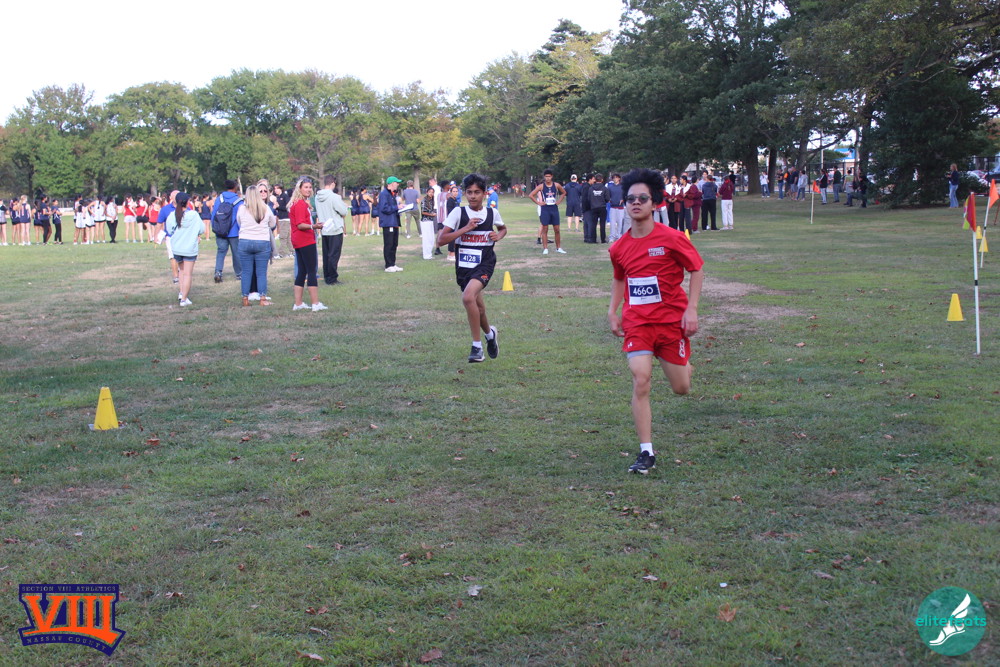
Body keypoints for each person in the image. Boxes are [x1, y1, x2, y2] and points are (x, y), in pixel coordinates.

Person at [608, 168, 704, 475]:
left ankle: (684, 367)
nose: (635, 203)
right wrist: (613, 310)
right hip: (638, 323)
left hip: (670, 322)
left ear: (655, 202)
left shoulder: (672, 238)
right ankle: (646, 451)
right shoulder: (618, 247)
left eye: (642, 198)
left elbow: (696, 269)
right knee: (641, 379)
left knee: (681, 388)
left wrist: (692, 310)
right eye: (630, 199)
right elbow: (619, 279)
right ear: (625, 204)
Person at [436, 173, 507, 363]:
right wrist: (465, 229)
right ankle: (490, 334)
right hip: (464, 266)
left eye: (477, 192)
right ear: (464, 193)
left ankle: (477, 348)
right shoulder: (458, 213)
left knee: (468, 297)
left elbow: (503, 228)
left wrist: (498, 236)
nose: (473, 196)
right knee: (479, 308)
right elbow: (440, 240)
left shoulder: (492, 213)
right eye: (469, 192)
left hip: (484, 263)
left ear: (484, 194)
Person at [289, 177, 328, 311]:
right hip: (305, 240)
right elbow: (300, 224)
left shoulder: (299, 203)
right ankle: (315, 303)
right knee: (311, 271)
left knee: (302, 271)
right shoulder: (300, 204)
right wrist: (314, 226)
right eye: (305, 187)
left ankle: (298, 303)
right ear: (299, 188)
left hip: (298, 240)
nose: (309, 189)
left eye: (310, 187)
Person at [237, 184, 277, 306]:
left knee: (246, 272)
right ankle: (263, 298)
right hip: (262, 241)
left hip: (245, 240)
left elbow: (239, 222)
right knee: (261, 272)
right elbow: (272, 224)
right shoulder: (265, 208)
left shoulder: (242, 208)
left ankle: (245, 298)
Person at [165, 193, 203, 307]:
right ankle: (184, 299)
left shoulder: (172, 215)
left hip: (177, 247)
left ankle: (182, 293)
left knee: (181, 271)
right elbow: (202, 229)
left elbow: (169, 230)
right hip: (189, 248)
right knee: (187, 274)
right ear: (187, 202)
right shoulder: (194, 215)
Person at [316, 175, 350, 285]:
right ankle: (332, 278)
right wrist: (345, 207)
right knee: (334, 255)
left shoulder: (317, 197)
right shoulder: (335, 197)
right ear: (333, 184)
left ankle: (327, 276)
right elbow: (343, 211)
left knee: (326, 255)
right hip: (335, 228)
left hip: (324, 228)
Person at [527, 170, 566, 255]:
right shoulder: (541, 186)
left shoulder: (556, 185)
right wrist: (539, 203)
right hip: (545, 209)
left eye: (549, 176)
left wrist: (559, 201)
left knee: (557, 229)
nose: (548, 178)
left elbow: (564, 192)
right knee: (545, 229)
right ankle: (545, 248)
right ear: (544, 177)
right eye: (546, 177)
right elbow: (531, 195)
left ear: (552, 176)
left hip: (554, 208)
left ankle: (558, 248)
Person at [212, 180, 243, 283]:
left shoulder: (219, 199)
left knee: (221, 252)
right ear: (235, 187)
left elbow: (214, 214)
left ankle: (218, 272)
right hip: (234, 231)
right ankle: (239, 274)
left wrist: (215, 227)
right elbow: (241, 217)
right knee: (236, 253)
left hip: (221, 230)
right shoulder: (239, 201)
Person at [378, 177, 404, 272]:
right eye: (397, 182)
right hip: (388, 222)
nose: (398, 184)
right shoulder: (384, 194)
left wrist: (400, 208)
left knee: (394, 244)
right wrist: (397, 207)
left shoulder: (392, 194)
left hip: (394, 222)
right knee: (388, 244)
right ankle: (388, 265)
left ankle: (393, 263)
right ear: (392, 183)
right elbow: (384, 208)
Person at [583, 173, 611, 243]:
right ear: (602, 180)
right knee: (602, 224)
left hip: (594, 207)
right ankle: (603, 239)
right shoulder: (604, 188)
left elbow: (589, 198)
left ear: (595, 179)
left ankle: (593, 239)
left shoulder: (591, 188)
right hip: (602, 207)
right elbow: (607, 199)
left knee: (593, 224)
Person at [274, 184, 292, 257]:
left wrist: (279, 206)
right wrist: (276, 207)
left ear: (281, 189)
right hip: (281, 218)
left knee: (283, 236)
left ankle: (282, 252)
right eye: (275, 189)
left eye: (277, 188)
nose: (275, 190)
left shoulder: (285, 196)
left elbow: (287, 207)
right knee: (287, 237)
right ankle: (292, 251)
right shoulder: (278, 197)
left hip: (285, 218)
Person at [419, 186, 438, 260]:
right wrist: (431, 214)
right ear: (427, 192)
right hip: (425, 221)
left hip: (430, 220)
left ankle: (429, 253)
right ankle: (426, 255)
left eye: (432, 192)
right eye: (430, 192)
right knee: (427, 239)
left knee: (431, 238)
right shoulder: (424, 200)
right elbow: (423, 212)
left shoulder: (432, 200)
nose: (431, 193)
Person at [608, 173, 627, 242]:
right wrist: (609, 200)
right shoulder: (610, 187)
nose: (615, 179)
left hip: (620, 208)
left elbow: (626, 196)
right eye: (614, 178)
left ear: (619, 178)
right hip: (613, 207)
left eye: (616, 177)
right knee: (612, 223)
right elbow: (608, 196)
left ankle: (619, 236)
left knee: (620, 223)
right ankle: (612, 236)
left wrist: (623, 199)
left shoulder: (622, 187)